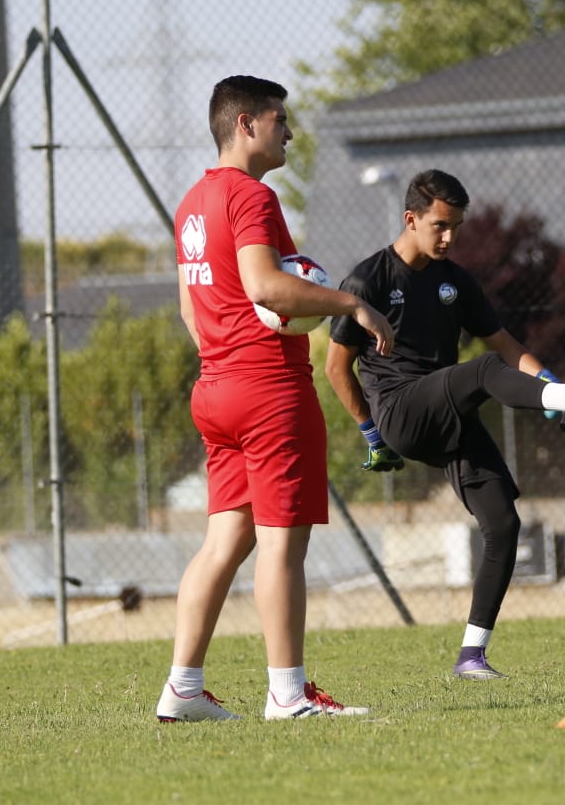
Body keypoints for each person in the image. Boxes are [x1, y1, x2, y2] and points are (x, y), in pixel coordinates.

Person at [325, 168, 565, 680]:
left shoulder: (456, 282)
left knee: (503, 524)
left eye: (458, 226)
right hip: (401, 411)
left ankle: (472, 655)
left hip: (447, 408)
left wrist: (552, 393)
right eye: (441, 225)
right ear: (410, 218)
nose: (450, 237)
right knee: (483, 373)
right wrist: (371, 433)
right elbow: (336, 367)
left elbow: (509, 347)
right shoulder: (368, 280)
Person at [155, 75, 395, 722]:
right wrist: (352, 302)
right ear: (246, 125)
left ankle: (182, 688)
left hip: (216, 387)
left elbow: (190, 308)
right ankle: (288, 694)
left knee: (224, 541)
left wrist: (225, 355)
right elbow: (267, 287)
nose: (289, 131)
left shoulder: (191, 203)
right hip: (267, 391)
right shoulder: (251, 197)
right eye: (280, 119)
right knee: (281, 546)